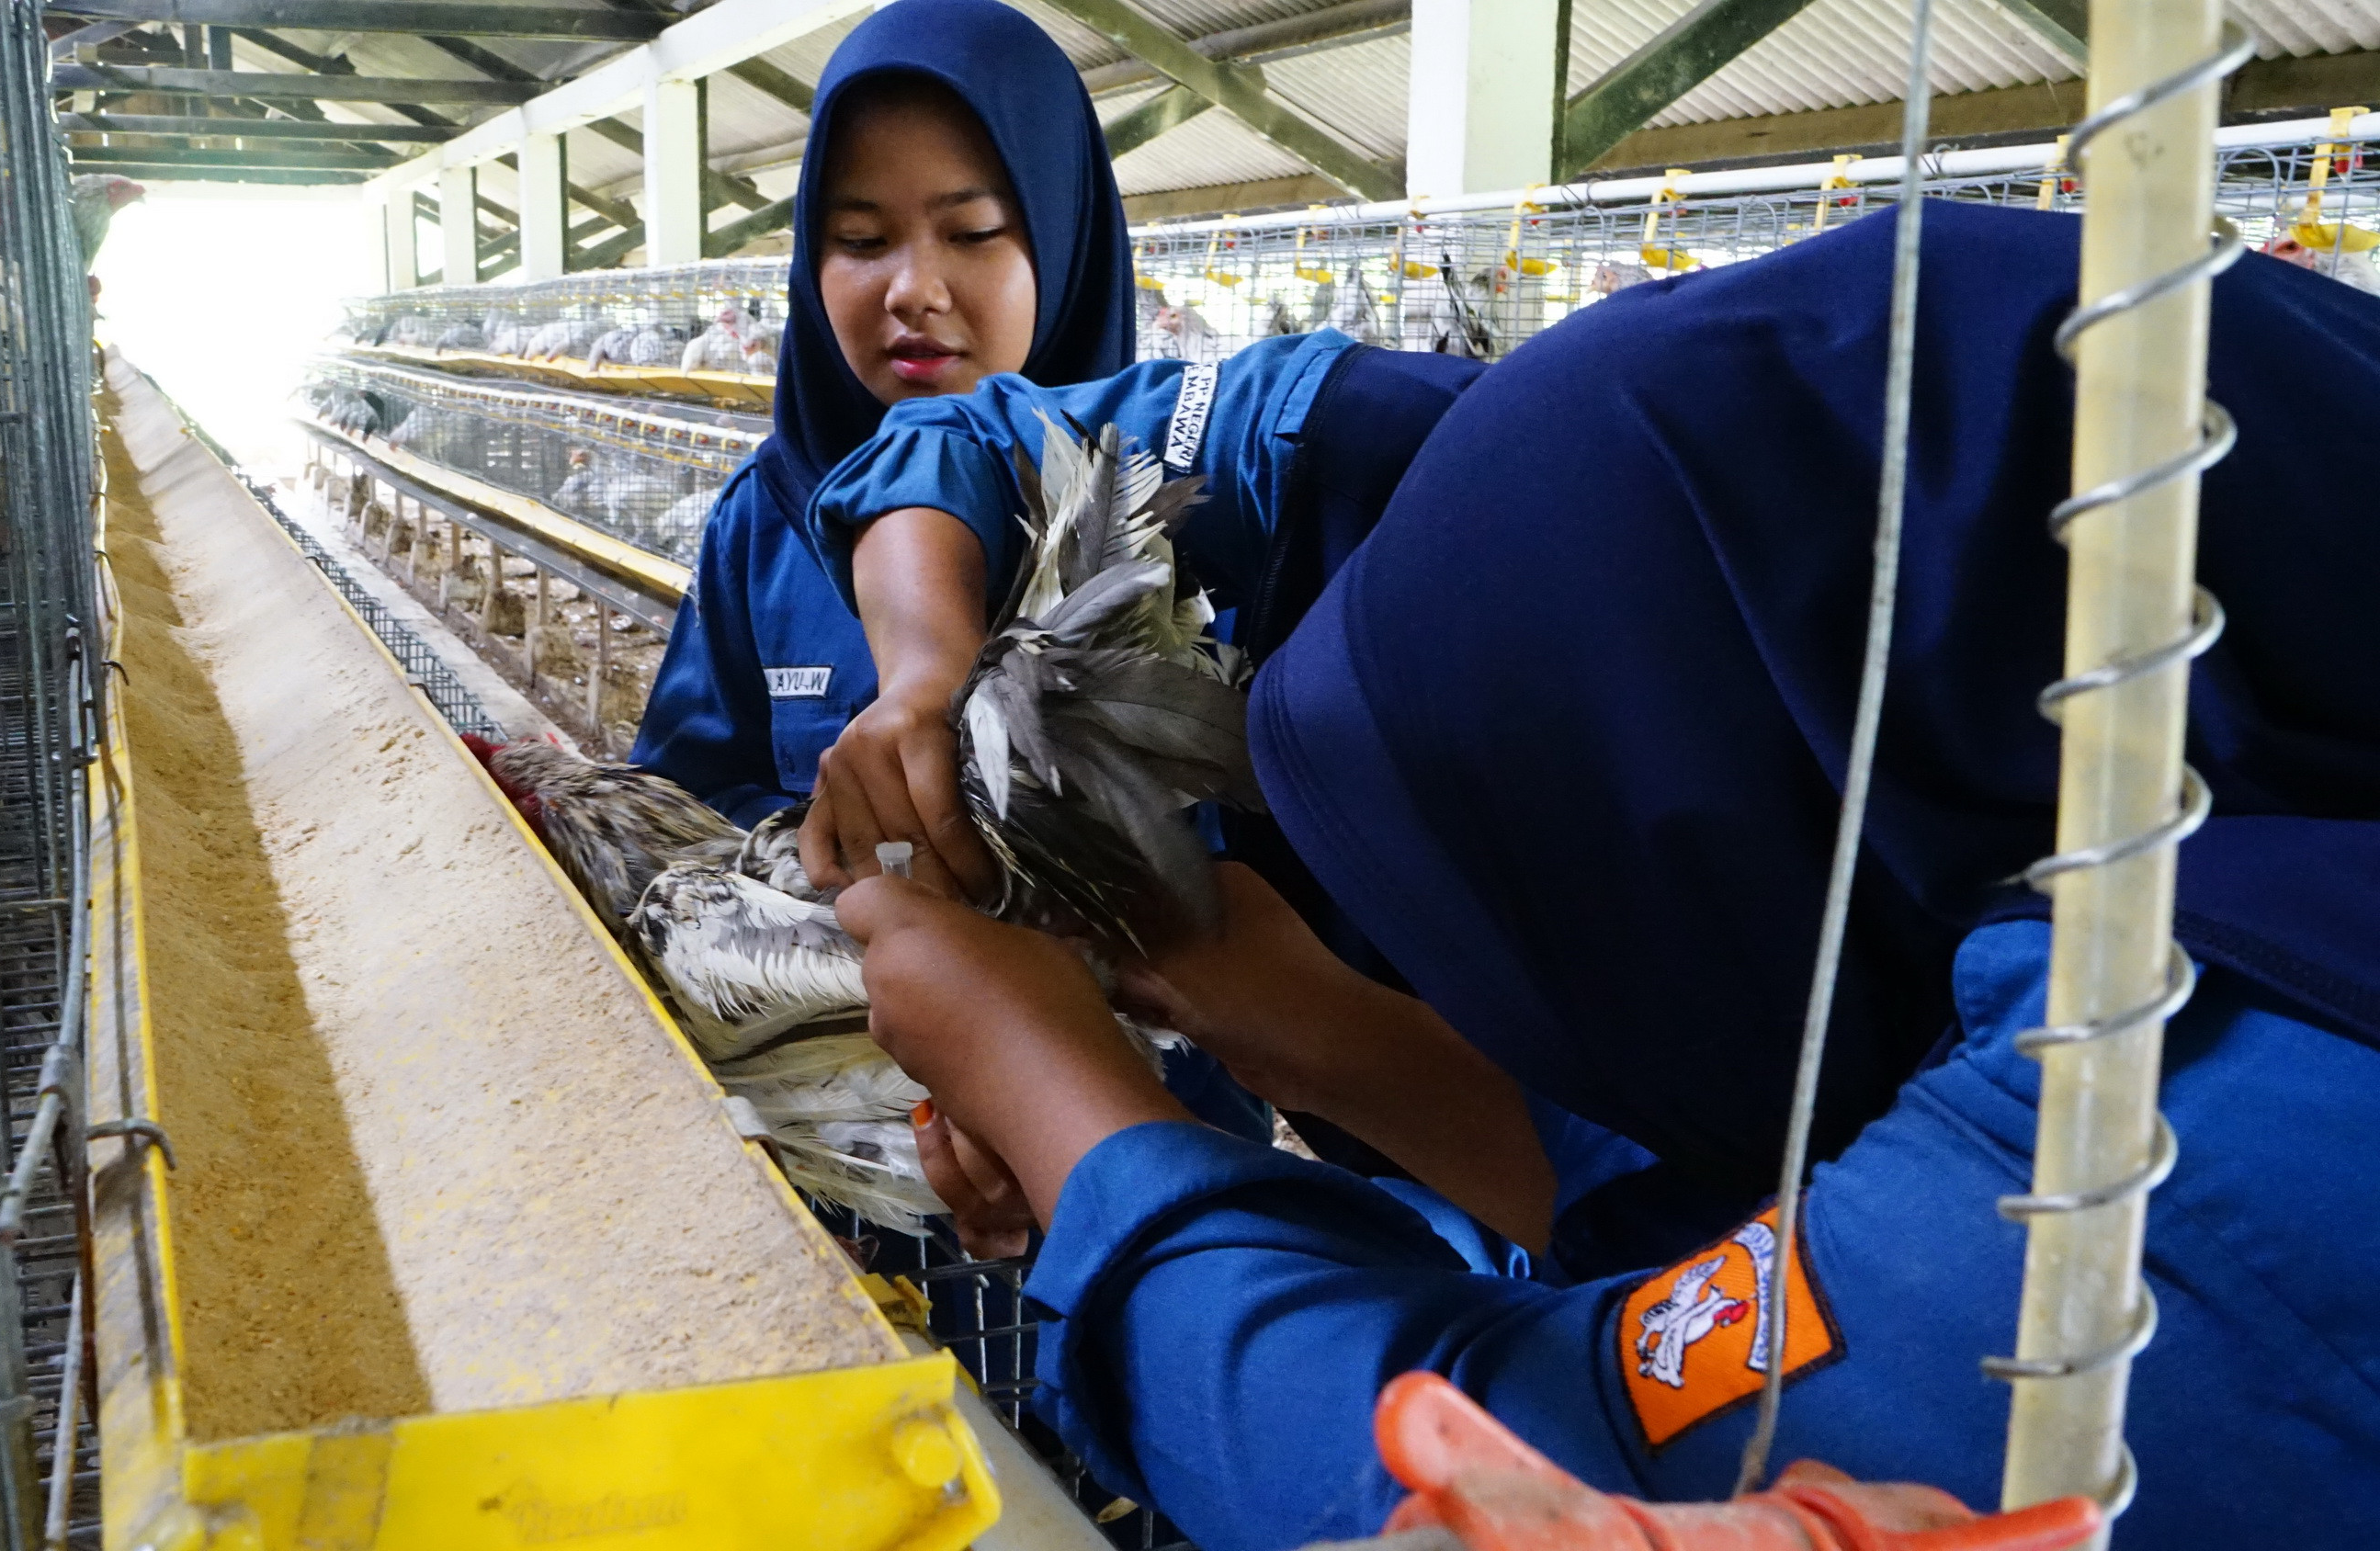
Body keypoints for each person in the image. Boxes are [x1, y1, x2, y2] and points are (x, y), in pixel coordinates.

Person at [822, 202, 2380, 1551]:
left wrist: (1067, 1112)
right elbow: (1746, 1248)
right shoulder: (2190, 791)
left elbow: (1526, 1471)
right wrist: (1263, 1003)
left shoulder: (2200, 1148)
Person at [629, 0, 1133, 843]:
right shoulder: (768, 518)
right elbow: (686, 792)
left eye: (971, 232)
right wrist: (822, 850)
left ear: (1064, 235)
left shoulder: (1174, 505)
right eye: (861, 240)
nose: (912, 291)